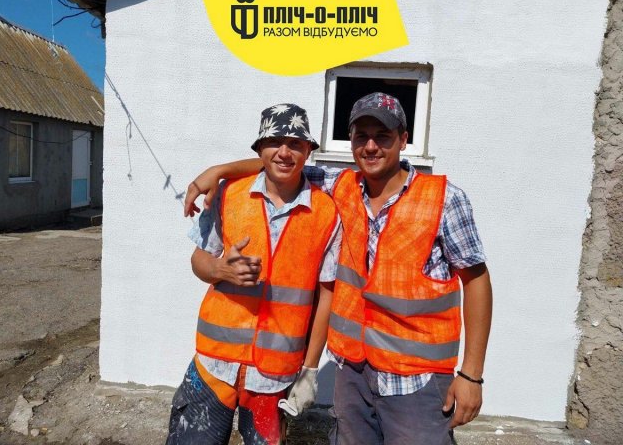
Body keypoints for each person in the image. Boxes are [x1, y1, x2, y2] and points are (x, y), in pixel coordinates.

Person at [184, 92, 492, 445]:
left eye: (383, 136)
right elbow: (282, 164)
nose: (371, 147)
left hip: (416, 381)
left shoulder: (444, 198)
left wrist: (472, 375)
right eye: (362, 136)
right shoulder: (342, 186)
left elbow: (477, 281)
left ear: (404, 140)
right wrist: (219, 171)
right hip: (353, 375)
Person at [167, 104, 341, 445]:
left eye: (295, 143)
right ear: (259, 149)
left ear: (308, 151)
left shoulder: (326, 211)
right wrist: (219, 269)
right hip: (213, 363)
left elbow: (327, 295)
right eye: (274, 141)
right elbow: (199, 258)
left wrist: (310, 369)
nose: (284, 152)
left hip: (275, 375)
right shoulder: (230, 193)